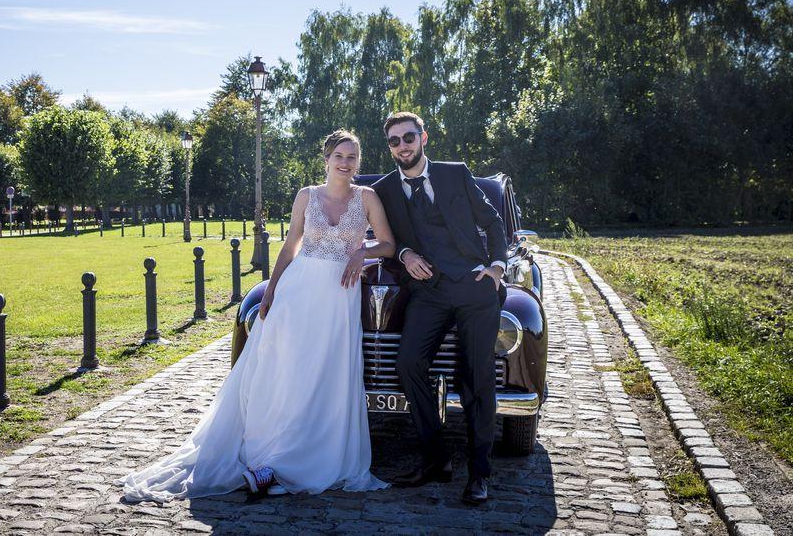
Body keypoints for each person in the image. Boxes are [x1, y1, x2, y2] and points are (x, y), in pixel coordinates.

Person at [116, 129, 396, 501]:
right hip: (298, 292)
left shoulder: (368, 198)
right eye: (339, 156)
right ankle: (267, 457)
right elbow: (291, 245)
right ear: (326, 159)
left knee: (326, 377)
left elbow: (389, 244)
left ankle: (304, 460)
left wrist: (364, 252)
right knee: (284, 374)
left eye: (352, 157)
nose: (345, 163)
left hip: (338, 298)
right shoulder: (306, 196)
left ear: (358, 162)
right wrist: (272, 290)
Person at [371, 112, 508, 505]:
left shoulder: (455, 174)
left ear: (423, 137)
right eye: (395, 141)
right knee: (408, 364)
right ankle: (436, 458)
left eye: (408, 137)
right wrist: (405, 251)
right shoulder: (383, 190)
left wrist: (497, 266)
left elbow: (493, 221)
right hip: (428, 292)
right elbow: (384, 239)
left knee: (477, 378)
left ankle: (479, 474)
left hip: (474, 287)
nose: (403, 146)